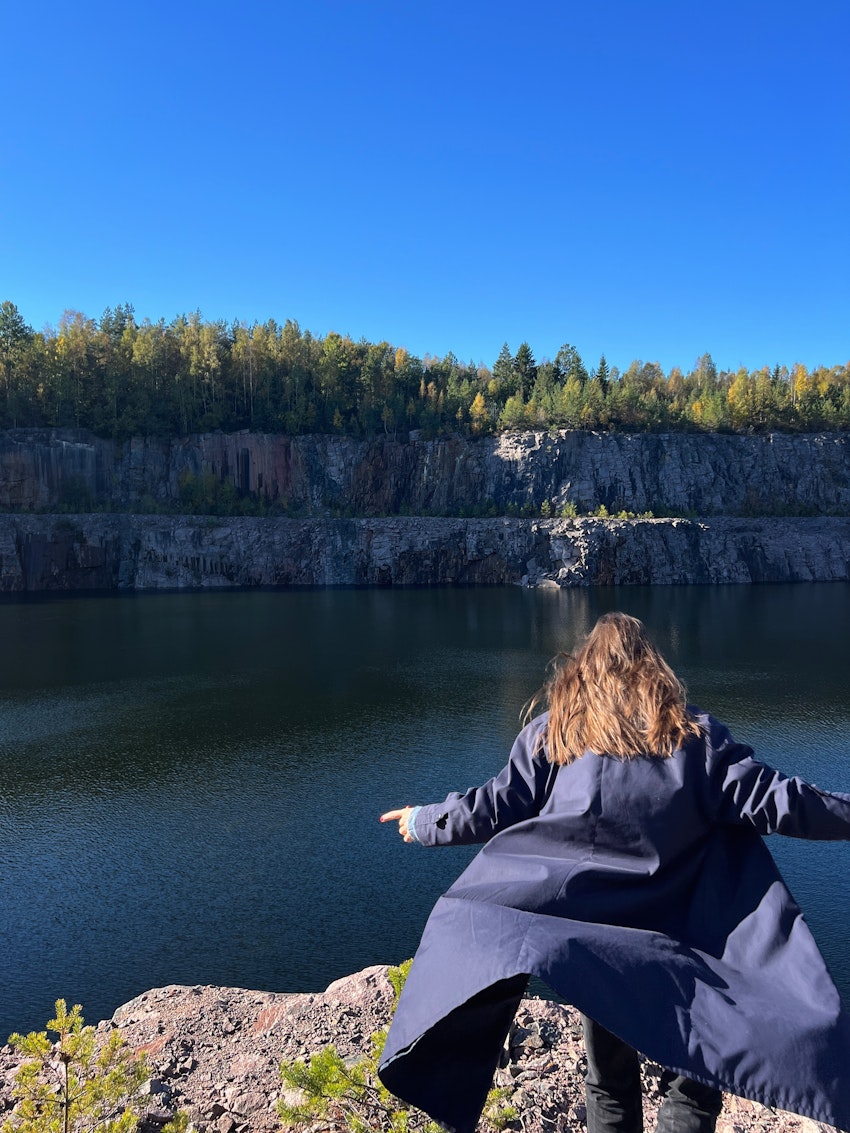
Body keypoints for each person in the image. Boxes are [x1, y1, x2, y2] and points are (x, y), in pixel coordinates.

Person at [377, 612, 850, 1133]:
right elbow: (785, 802)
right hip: (688, 951)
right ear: (653, 669)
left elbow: (492, 807)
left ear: (582, 671)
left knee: (608, 1083)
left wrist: (423, 821)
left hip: (599, 950)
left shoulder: (555, 736)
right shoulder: (695, 738)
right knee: (694, 1090)